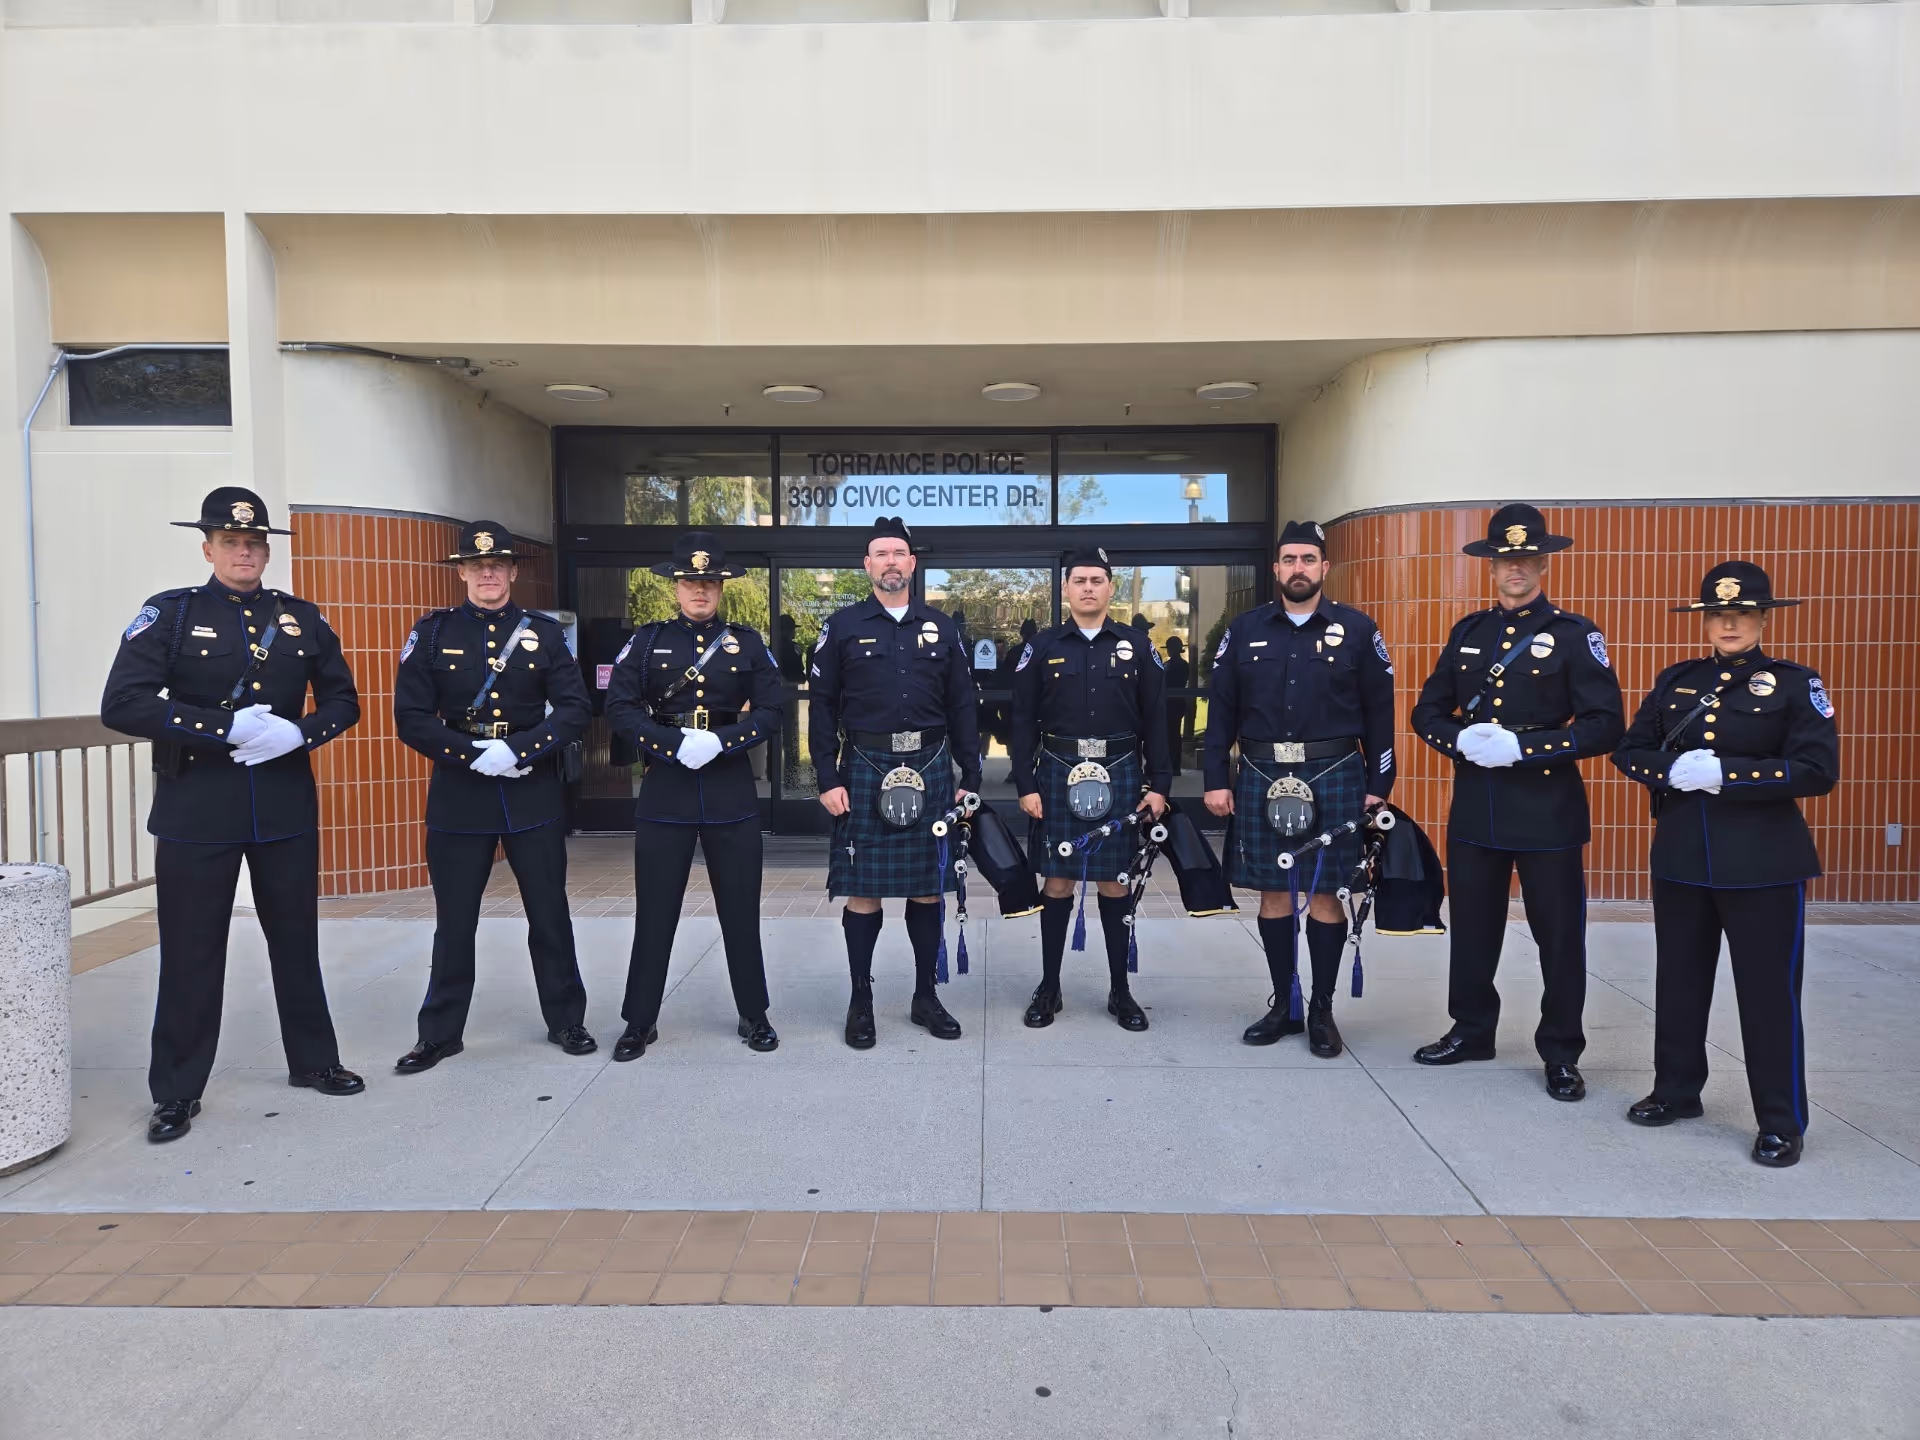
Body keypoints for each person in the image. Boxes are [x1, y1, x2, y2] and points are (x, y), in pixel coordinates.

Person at [101, 486, 364, 1142]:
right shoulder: (171, 615)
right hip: (198, 806)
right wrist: (220, 727)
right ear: (208, 548)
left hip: (282, 802)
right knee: (192, 951)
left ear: (266, 550)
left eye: (254, 543)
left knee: (297, 940)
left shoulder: (303, 618)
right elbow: (124, 702)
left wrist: (297, 734)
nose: (244, 552)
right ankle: (177, 1091)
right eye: (230, 542)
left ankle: (315, 1061)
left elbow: (343, 701)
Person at [1612, 562, 1837, 1167]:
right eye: (1718, 613)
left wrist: (1728, 775)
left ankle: (1781, 1120)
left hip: (1763, 863)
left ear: (1763, 618)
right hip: (1684, 856)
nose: (1729, 623)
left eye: (1741, 613)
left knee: (1768, 995)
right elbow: (1630, 750)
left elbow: (1818, 771)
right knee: (1680, 983)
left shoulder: (1794, 684)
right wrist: (1668, 771)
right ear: (1704, 621)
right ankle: (1677, 1091)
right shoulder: (1677, 679)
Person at [1409, 503, 1624, 1100]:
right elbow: (1426, 711)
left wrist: (1526, 749)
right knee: (1473, 929)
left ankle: (1561, 1051)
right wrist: (1463, 740)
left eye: (1528, 559)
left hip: (1547, 810)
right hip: (1478, 807)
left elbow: (1607, 724)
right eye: (1507, 559)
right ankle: (1472, 1029)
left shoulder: (1576, 636)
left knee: (1559, 937)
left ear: (1543, 563)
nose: (1517, 570)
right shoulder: (1468, 634)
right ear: (1493, 565)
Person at [391, 520, 595, 1073]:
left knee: (549, 913)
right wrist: (470, 754)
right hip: (460, 792)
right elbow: (409, 717)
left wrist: (521, 751)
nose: (488, 573)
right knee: (455, 919)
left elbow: (575, 709)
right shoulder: (431, 634)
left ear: (511, 572)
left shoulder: (543, 634)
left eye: (498, 565)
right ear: (461, 571)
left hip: (530, 791)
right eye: (477, 566)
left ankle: (566, 1019)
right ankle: (439, 1032)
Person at [1203, 520, 1396, 1057]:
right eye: (1289, 559)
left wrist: (1380, 782)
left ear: (1324, 567)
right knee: (1274, 893)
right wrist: (1215, 777)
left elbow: (1382, 714)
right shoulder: (1243, 631)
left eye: (1308, 559)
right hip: (1263, 774)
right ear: (1276, 568)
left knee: (1327, 895)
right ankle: (1285, 1004)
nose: (1298, 568)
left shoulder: (1358, 630)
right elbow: (1220, 711)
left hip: (1335, 774)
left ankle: (1321, 1010)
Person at [604, 533, 784, 1060]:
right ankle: (640, 1020)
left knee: (740, 910)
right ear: (676, 586)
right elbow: (619, 707)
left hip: (729, 783)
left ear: (721, 587)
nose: (700, 591)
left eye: (709, 582)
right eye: (690, 582)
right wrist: (673, 743)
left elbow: (772, 711)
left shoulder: (748, 643)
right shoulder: (646, 640)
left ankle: (754, 1014)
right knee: (656, 911)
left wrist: (723, 741)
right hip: (667, 783)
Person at [809, 516, 982, 1049]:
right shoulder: (840, 627)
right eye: (879, 553)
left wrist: (970, 772)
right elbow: (821, 706)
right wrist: (825, 775)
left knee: (928, 890)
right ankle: (861, 999)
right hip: (865, 765)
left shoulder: (943, 628)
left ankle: (925, 995)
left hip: (930, 767)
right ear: (867, 565)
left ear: (912, 563)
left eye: (898, 553)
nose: (889, 561)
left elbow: (961, 706)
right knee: (862, 892)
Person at [1008, 546, 1171, 1031]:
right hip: (1057, 769)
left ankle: (1120, 991)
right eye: (1079, 580)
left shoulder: (1138, 646)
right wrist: (1025, 782)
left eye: (1096, 580)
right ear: (1065, 588)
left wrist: (1159, 784)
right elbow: (1021, 721)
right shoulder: (1041, 646)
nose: (1087, 588)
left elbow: (1157, 721)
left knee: (1115, 881)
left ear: (1110, 587)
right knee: (1056, 882)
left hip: (1120, 768)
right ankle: (1049, 987)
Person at [1162, 635, 1192, 777]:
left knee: (1171, 736)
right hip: (1174, 704)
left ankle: (1172, 765)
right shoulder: (1182, 665)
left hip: (1171, 704)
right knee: (1173, 736)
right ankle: (1174, 766)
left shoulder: (1170, 666)